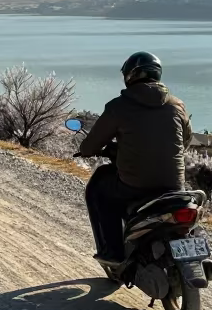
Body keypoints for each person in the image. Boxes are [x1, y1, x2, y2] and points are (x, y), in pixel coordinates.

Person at [78, 51, 192, 264]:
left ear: (130, 75)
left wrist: (86, 150)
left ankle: (112, 251)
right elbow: (186, 140)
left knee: (101, 191)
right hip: (174, 185)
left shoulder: (118, 106)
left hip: (135, 185)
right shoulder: (177, 105)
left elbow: (92, 144)